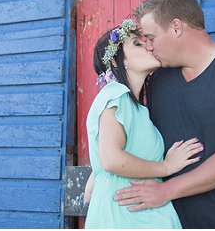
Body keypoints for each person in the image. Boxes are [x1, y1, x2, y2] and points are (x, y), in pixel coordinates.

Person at [114, 0, 215, 228]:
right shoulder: (159, 79)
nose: (149, 46)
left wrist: (165, 191)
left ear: (176, 27)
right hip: (166, 222)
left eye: (152, 38)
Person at [84, 18, 203, 229]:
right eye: (137, 44)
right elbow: (111, 159)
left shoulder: (136, 107)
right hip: (125, 214)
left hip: (135, 211)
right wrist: (166, 167)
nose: (148, 45)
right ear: (116, 62)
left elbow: (93, 183)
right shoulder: (116, 94)